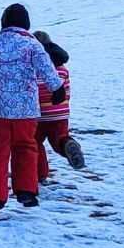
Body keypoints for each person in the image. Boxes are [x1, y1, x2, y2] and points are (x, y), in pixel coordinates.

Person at [0, 4, 64, 223]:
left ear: (4, 22)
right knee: (26, 147)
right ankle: (26, 190)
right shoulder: (32, 43)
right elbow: (46, 67)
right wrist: (56, 87)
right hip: (26, 109)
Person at [32, 31, 86, 183]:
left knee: (34, 142)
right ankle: (68, 144)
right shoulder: (62, 69)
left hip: (39, 114)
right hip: (60, 113)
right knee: (59, 139)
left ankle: (40, 174)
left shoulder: (36, 68)